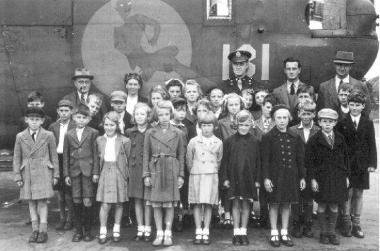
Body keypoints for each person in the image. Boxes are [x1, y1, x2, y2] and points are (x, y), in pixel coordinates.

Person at [261, 105, 306, 248]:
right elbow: (265, 160)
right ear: (274, 119)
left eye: (284, 118)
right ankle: (274, 231)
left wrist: (302, 177)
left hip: (290, 176)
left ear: (289, 119)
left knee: (287, 204)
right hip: (275, 176)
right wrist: (266, 178)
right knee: (274, 204)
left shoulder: (295, 136)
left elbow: (300, 159)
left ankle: (284, 232)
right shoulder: (268, 137)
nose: (282, 121)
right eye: (278, 118)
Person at [142, 100, 186, 246]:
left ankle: (168, 233)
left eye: (167, 114)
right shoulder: (150, 132)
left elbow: (181, 155)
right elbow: (146, 154)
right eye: (160, 115)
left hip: (171, 169)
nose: (164, 117)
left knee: (169, 204)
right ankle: (159, 232)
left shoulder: (178, 132)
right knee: (156, 204)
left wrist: (180, 175)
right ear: (156, 116)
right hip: (156, 169)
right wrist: (146, 174)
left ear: (171, 114)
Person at [13, 107, 59, 243]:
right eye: (31, 119)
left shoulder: (48, 135)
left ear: (42, 121)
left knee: (42, 202)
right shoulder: (20, 136)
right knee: (31, 202)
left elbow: (54, 156)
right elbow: (17, 158)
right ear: (26, 120)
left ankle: (43, 231)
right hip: (27, 173)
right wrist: (17, 176)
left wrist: (56, 174)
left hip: (44, 171)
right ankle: (35, 229)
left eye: (37, 120)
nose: (34, 122)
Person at [336, 91, 377, 239]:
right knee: (348, 193)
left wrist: (372, 163)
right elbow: (339, 146)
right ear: (348, 105)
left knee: (359, 193)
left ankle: (357, 223)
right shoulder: (342, 122)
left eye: (357, 105)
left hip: (362, 164)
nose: (354, 107)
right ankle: (346, 222)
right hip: (347, 164)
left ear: (363, 106)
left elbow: (372, 144)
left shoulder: (368, 123)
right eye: (351, 104)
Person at [306, 108, 350, 246]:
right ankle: (323, 233)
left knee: (334, 206)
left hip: (337, 177)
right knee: (322, 205)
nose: (327, 124)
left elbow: (345, 159)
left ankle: (331, 232)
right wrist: (312, 179)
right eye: (324, 121)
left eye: (330, 122)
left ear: (335, 123)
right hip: (321, 178)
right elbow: (309, 162)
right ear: (319, 122)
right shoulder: (314, 140)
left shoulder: (340, 139)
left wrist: (346, 176)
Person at [221, 110, 261, 246]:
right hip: (234, 177)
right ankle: (236, 231)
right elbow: (224, 161)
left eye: (246, 125)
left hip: (249, 178)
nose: (243, 128)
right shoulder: (229, 141)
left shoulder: (255, 141)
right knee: (236, 204)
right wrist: (225, 178)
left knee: (246, 205)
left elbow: (258, 162)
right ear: (236, 125)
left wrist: (257, 180)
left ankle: (243, 231)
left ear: (251, 125)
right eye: (241, 125)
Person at [63, 105, 99, 242]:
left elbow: (96, 154)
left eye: (84, 117)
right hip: (74, 172)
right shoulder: (69, 134)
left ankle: (88, 231)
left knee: (88, 200)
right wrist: (66, 174)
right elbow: (66, 155)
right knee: (76, 200)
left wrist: (95, 172)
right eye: (78, 117)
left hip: (88, 172)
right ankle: (78, 231)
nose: (81, 120)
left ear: (89, 119)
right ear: (73, 118)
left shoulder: (93, 133)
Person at [187, 111, 223, 245]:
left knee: (208, 204)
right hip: (197, 174)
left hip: (211, 175)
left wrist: (212, 170)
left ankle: (206, 230)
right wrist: (195, 170)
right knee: (197, 203)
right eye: (204, 125)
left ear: (214, 126)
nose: (206, 128)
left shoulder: (218, 142)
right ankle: (198, 230)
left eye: (209, 125)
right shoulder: (194, 141)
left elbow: (219, 160)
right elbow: (189, 160)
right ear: (199, 126)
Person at [96, 111, 131, 244]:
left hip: (119, 172)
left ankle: (117, 228)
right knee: (105, 204)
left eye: (112, 125)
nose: (108, 127)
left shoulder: (124, 140)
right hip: (105, 171)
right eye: (106, 124)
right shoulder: (99, 140)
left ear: (117, 125)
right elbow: (97, 158)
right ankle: (103, 230)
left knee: (119, 203)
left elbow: (127, 159)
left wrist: (125, 175)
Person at [289, 100, 320, 238]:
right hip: (296, 169)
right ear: (298, 114)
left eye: (309, 113)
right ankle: (296, 223)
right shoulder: (293, 130)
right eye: (303, 113)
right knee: (296, 197)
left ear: (314, 114)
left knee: (308, 199)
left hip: (312, 169)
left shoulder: (318, 130)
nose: (306, 116)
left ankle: (308, 224)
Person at [126, 103, 153, 242]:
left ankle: (148, 229)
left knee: (147, 200)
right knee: (137, 199)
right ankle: (140, 228)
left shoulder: (152, 130)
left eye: (142, 114)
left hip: (148, 169)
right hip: (135, 169)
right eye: (137, 114)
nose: (139, 117)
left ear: (148, 116)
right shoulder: (129, 132)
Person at [48, 100, 76, 231]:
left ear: (71, 112)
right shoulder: (53, 126)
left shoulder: (75, 125)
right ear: (57, 111)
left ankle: (70, 220)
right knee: (60, 194)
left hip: (69, 159)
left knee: (69, 193)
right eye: (61, 111)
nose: (64, 113)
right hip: (57, 159)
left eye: (66, 111)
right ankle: (62, 218)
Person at [317, 51, 370, 117]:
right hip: (331, 126)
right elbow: (319, 111)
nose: (342, 68)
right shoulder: (324, 87)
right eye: (339, 65)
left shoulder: (360, 86)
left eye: (346, 65)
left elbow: (366, 110)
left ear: (350, 66)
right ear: (335, 65)